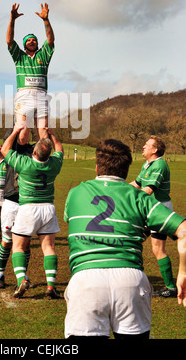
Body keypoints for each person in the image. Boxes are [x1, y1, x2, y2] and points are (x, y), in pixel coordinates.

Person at [64, 139, 186, 339]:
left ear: (96, 167)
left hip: (86, 280)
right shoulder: (140, 198)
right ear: (126, 170)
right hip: (130, 281)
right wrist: (183, 272)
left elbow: (70, 218)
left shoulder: (75, 193)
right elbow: (184, 229)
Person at [1, 124, 64, 299]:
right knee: (49, 248)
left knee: (18, 246)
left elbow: (5, 149)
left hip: (28, 209)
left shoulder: (25, 164)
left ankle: (22, 280)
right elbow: (59, 149)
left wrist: (14, 131)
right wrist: (53, 135)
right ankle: (51, 286)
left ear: (34, 153)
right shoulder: (54, 165)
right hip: (48, 210)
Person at [130, 135, 177, 298]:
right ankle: (168, 287)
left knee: (154, 248)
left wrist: (128, 198)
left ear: (154, 150)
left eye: (146, 145)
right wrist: (116, 187)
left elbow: (148, 190)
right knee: (136, 242)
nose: (143, 147)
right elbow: (136, 184)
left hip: (159, 211)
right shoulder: (147, 164)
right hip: (150, 210)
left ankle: (170, 288)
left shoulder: (159, 165)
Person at [6, 2, 55, 146]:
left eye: (34, 40)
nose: (32, 41)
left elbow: (50, 39)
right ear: (24, 45)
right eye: (28, 40)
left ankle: (41, 163)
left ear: (38, 44)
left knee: (44, 134)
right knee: (23, 133)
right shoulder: (19, 57)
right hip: (24, 96)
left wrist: (46, 20)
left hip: (41, 95)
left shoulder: (44, 56)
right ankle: (22, 163)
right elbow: (9, 40)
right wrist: (12, 20)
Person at [0, 129, 35, 289]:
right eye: (23, 130)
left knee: (26, 243)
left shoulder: (33, 151)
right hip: (11, 201)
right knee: (7, 241)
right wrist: (18, 126)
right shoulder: (11, 149)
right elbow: (6, 142)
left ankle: (23, 276)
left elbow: (46, 145)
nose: (26, 133)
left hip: (28, 202)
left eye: (29, 130)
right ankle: (0, 274)